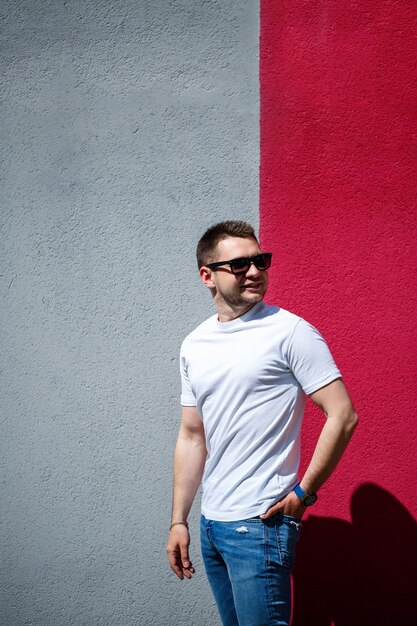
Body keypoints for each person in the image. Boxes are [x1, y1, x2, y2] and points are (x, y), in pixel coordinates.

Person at [166, 220, 358, 626]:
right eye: (239, 265)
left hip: (260, 525)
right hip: (211, 525)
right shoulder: (194, 344)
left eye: (260, 261)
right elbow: (191, 435)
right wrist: (179, 520)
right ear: (208, 276)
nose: (254, 271)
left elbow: (343, 415)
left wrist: (304, 495)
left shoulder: (290, 332)